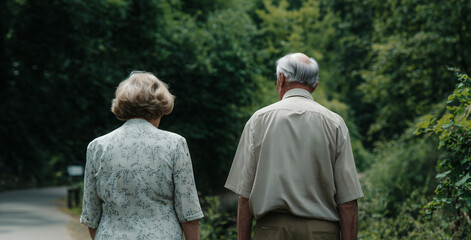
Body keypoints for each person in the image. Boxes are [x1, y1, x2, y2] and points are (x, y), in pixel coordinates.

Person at [225, 53, 364, 240]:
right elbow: (348, 203)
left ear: (281, 78)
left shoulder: (258, 121)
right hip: (322, 232)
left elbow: (244, 197)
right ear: (315, 85)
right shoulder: (335, 123)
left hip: (271, 232)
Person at [80, 71, 204, 240]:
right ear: (160, 107)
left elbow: (91, 215)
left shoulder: (97, 147)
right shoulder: (174, 144)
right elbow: (189, 213)